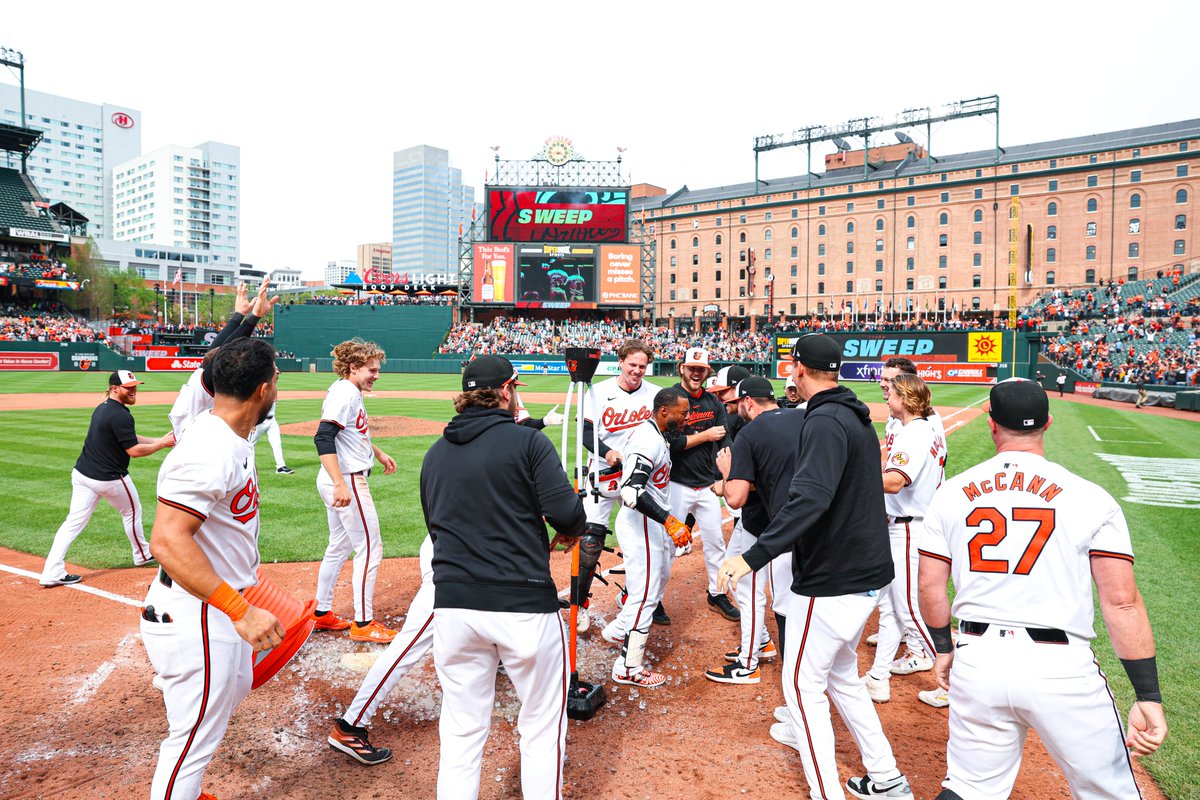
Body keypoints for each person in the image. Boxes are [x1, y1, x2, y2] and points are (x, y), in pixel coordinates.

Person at [918, 378, 1168, 799]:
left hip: (978, 658)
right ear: (1047, 423)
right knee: (1109, 792)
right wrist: (1147, 694)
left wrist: (944, 648)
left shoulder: (951, 493)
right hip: (1061, 668)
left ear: (991, 425)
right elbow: (1121, 603)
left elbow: (930, 587)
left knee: (968, 788)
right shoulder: (1091, 497)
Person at [720, 334, 912, 800]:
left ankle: (826, 792)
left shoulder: (825, 420)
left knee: (802, 687)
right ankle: (886, 778)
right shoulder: (851, 415)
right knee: (842, 677)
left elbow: (809, 499)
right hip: (864, 571)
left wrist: (752, 555)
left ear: (799, 368)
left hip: (833, 576)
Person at [420, 354, 586, 799]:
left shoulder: (435, 454)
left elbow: (435, 526)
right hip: (523, 606)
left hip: (453, 608)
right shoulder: (528, 443)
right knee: (540, 726)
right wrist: (567, 529)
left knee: (460, 731)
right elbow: (569, 514)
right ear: (507, 390)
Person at [141, 338, 286, 800]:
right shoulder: (210, 448)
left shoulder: (226, 433)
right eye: (277, 377)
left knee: (231, 691)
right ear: (263, 390)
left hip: (209, 607)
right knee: (191, 743)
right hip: (200, 611)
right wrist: (238, 609)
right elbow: (165, 538)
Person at [40, 370, 176, 586]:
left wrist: (157, 439)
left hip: (83, 474)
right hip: (108, 478)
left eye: (134, 386)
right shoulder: (120, 414)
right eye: (128, 388)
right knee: (132, 511)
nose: (133, 391)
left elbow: (128, 437)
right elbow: (133, 450)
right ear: (115, 388)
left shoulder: (104, 408)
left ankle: (51, 572)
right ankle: (141, 554)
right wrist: (162, 444)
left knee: (72, 523)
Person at [709, 376, 803, 685]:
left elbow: (736, 496)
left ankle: (748, 663)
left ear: (748, 402)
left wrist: (724, 476)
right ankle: (761, 641)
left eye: (737, 404)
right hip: (794, 520)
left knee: (749, 589)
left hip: (763, 524)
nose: (736, 410)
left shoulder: (751, 432)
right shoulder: (801, 418)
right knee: (735, 575)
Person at [603, 386, 694, 687]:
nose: (687, 419)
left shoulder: (658, 434)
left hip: (651, 522)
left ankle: (620, 629)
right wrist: (670, 521)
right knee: (645, 593)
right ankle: (628, 668)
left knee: (659, 581)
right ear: (664, 411)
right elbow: (630, 492)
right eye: (683, 413)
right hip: (643, 522)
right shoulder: (647, 439)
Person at [863, 374, 944, 705]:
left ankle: (960, 682)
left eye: (892, 392)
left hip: (908, 527)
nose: (887, 397)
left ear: (907, 399)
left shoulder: (914, 434)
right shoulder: (927, 429)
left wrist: (854, 474)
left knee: (909, 609)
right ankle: (878, 676)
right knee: (892, 608)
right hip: (909, 523)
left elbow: (895, 482)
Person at [312, 339, 398, 643]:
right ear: (354, 367)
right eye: (372, 370)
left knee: (339, 545)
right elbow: (324, 437)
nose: (376, 375)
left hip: (340, 476)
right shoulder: (346, 392)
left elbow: (352, 433)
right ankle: (363, 623)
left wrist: (378, 452)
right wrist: (339, 482)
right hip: (346, 479)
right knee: (370, 548)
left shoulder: (347, 390)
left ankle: (320, 613)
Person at [579, 339, 660, 632]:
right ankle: (579, 603)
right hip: (602, 474)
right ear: (621, 361)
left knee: (641, 540)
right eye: (632, 365)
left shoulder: (655, 394)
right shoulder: (597, 392)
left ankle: (633, 595)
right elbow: (585, 433)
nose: (637, 371)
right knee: (590, 541)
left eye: (642, 366)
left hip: (638, 478)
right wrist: (607, 452)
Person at [668, 348, 739, 621]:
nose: (696, 373)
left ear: (707, 372)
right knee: (666, 544)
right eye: (691, 368)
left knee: (715, 542)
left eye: (701, 369)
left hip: (708, 485)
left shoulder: (714, 403)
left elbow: (725, 441)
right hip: (677, 484)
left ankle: (717, 593)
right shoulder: (672, 399)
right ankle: (652, 598)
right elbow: (672, 444)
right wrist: (706, 435)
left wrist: (726, 474)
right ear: (681, 368)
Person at [249, 400, 293, 474]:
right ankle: (241, 466)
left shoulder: (273, 391)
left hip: (272, 421)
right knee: (249, 445)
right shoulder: (260, 391)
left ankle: (281, 467)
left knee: (277, 444)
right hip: (259, 422)